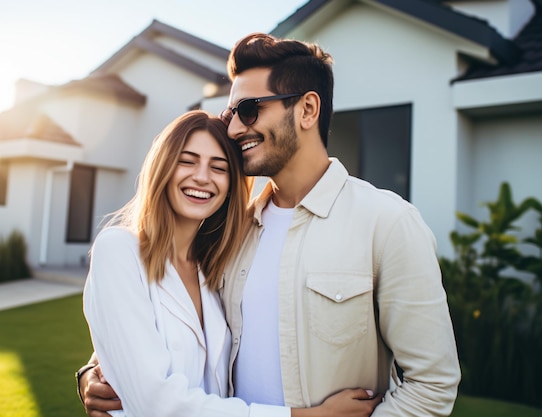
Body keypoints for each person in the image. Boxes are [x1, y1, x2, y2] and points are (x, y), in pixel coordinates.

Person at [80, 32, 461, 416]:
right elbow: (159, 323)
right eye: (230, 115)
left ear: (307, 110)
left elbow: (432, 384)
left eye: (248, 110)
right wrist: (97, 371)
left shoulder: (387, 223)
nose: (232, 129)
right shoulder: (230, 233)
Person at [81, 109, 381, 417]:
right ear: (162, 168)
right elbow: (154, 403)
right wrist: (309, 416)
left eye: (219, 167)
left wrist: (93, 371)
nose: (202, 177)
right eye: (187, 160)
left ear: (231, 185)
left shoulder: (213, 267)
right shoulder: (119, 249)